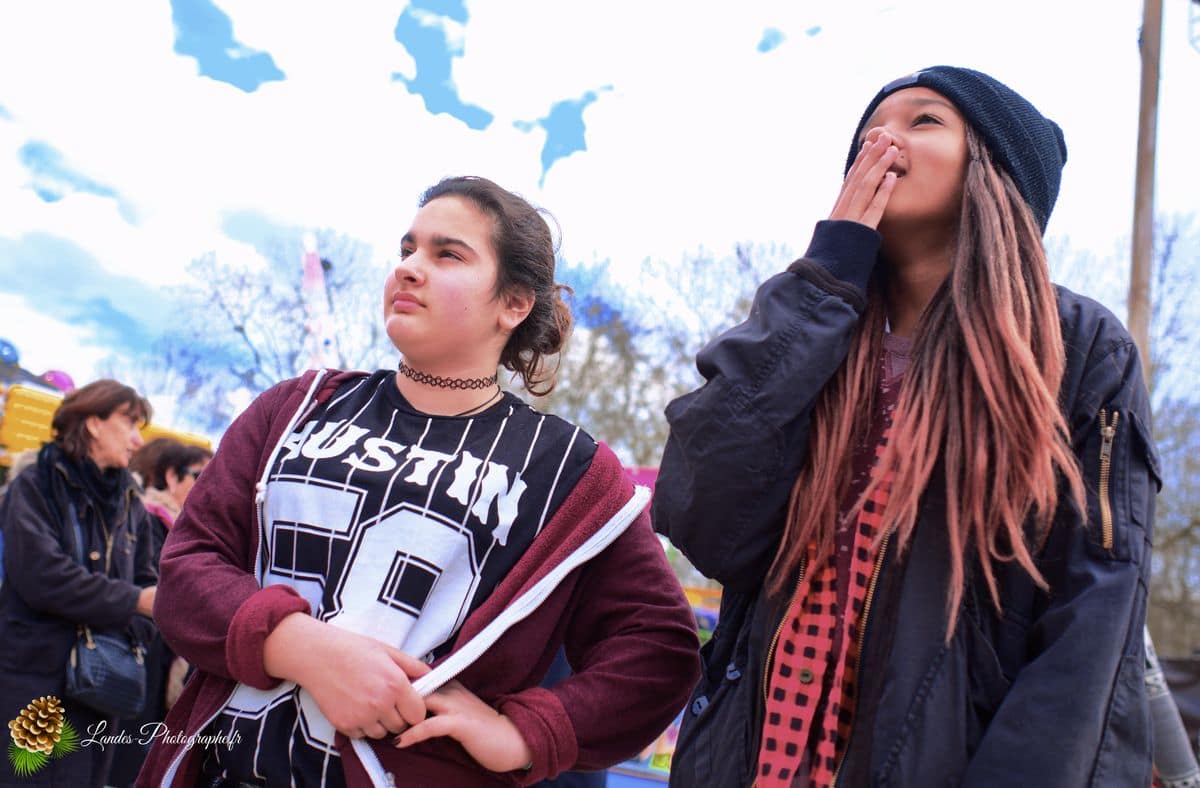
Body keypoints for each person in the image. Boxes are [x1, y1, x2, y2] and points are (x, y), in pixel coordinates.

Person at [654, 66, 1160, 787]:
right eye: (869, 132)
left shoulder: (1076, 347)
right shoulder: (812, 325)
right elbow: (702, 518)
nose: (882, 139)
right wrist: (825, 275)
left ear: (997, 171)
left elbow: (1093, 626)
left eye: (923, 121)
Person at [139, 176, 700, 787]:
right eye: (407, 249)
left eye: (447, 254)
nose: (409, 268)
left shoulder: (569, 468)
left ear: (513, 303)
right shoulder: (294, 405)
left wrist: (526, 733)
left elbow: (660, 647)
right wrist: (299, 646)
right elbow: (189, 566)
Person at [0, 380, 158, 788]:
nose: (138, 441)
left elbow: (153, 586)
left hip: (103, 688)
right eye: (130, 424)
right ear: (93, 423)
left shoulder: (131, 504)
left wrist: (131, 640)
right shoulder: (35, 485)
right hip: (34, 678)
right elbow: (42, 576)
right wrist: (134, 602)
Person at [107, 439, 212, 788]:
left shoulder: (181, 526)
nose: (208, 485)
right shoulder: (145, 517)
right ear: (171, 475)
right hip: (138, 654)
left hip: (159, 657)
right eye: (199, 475)